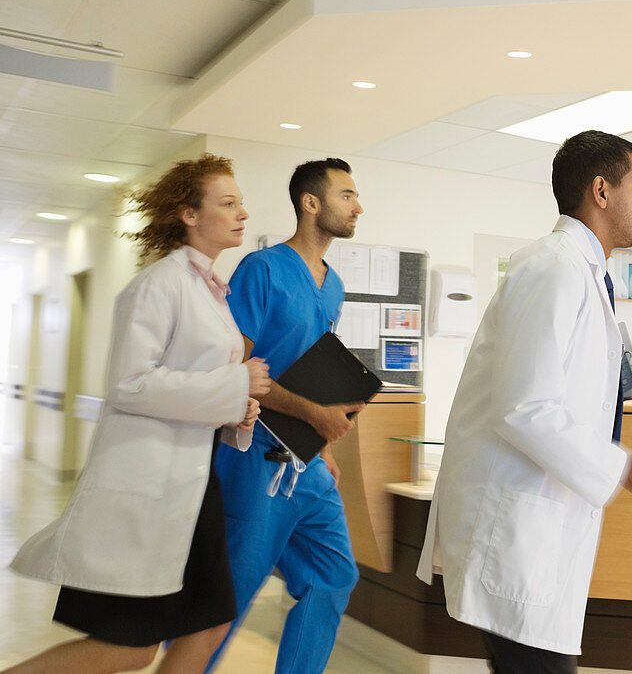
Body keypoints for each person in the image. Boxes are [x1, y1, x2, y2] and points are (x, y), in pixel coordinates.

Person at [416, 130, 632, 673]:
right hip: (516, 533)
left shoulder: (585, 273)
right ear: (601, 191)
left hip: (541, 527)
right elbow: (526, 406)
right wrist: (625, 466)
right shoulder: (553, 267)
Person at [6, 155, 270, 674]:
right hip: (150, 486)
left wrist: (233, 409)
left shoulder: (209, 290)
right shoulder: (159, 283)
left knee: (210, 622)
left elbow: (187, 386)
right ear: (188, 214)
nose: (242, 213)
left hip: (193, 484)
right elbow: (130, 384)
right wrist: (235, 383)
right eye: (227, 202)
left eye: (241, 203)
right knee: (129, 648)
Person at [206, 158, 365, 674]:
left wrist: (325, 441)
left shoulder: (333, 284)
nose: (357, 206)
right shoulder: (264, 269)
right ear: (310, 203)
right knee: (229, 597)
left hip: (307, 463)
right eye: (346, 195)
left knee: (333, 576)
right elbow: (238, 370)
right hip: (253, 459)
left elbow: (313, 371)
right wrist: (316, 417)